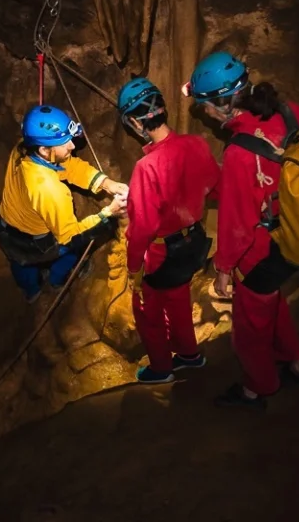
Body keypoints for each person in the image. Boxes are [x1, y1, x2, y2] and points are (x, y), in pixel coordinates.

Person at [185, 51, 299, 408]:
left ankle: (259, 387)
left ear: (224, 103)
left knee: (248, 326)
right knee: (272, 300)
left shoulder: (240, 154)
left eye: (206, 107)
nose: (207, 114)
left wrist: (224, 270)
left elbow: (236, 224)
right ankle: (297, 362)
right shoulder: (291, 113)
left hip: (265, 250)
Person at [118, 77, 220, 384]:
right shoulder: (196, 144)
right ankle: (189, 354)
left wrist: (134, 266)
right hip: (193, 244)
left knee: (147, 309)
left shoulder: (146, 168)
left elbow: (144, 227)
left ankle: (161, 368)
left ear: (135, 122)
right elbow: (214, 185)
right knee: (178, 296)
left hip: (162, 252)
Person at [0, 104, 128, 303]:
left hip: (7, 228)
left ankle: (32, 292)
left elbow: (69, 166)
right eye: (65, 142)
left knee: (21, 264)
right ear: (44, 149)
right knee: (71, 251)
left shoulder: (23, 148)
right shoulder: (48, 189)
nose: (72, 146)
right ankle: (57, 281)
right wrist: (108, 212)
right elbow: (71, 236)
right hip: (35, 241)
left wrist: (106, 183)